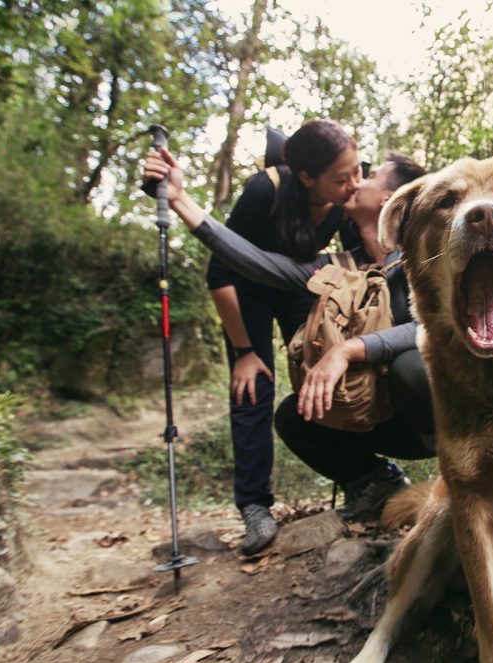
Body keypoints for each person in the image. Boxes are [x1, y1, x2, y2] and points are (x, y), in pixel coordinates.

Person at [142, 147, 435, 530]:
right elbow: (257, 263)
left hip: (443, 417)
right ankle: (377, 482)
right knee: (297, 415)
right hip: (387, 421)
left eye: (371, 175)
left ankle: (477, 470)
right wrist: (179, 199)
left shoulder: (427, 256)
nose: (358, 178)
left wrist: (349, 349)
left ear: (387, 199)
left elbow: (428, 327)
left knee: (410, 366)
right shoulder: (338, 267)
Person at [206, 120, 362, 555]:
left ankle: (359, 475)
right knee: (253, 387)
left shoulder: (348, 192)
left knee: (333, 371)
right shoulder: (265, 191)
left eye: (357, 171)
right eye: (343, 178)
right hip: (245, 291)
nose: (355, 183)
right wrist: (243, 352)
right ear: (307, 177)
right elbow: (218, 271)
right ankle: (254, 508)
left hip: (299, 287)